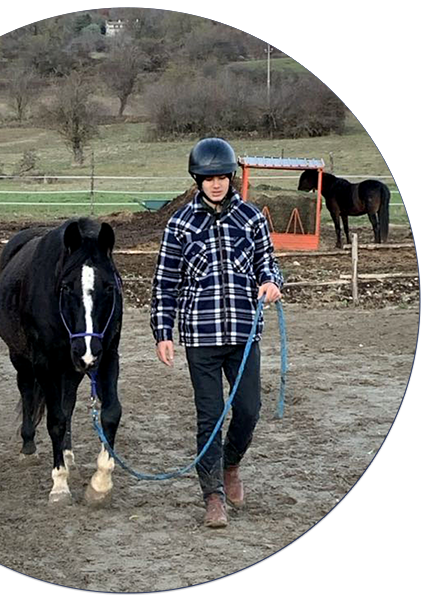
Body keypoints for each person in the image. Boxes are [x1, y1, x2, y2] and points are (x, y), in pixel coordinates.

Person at [150, 137, 283, 528]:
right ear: (197, 179)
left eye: (222, 176)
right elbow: (164, 284)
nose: (216, 184)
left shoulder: (252, 218)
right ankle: (212, 497)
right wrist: (163, 331)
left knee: (248, 410)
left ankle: (231, 466)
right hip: (201, 337)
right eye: (208, 178)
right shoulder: (179, 225)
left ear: (230, 177)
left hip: (244, 334)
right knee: (209, 417)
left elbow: (268, 264)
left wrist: (272, 283)